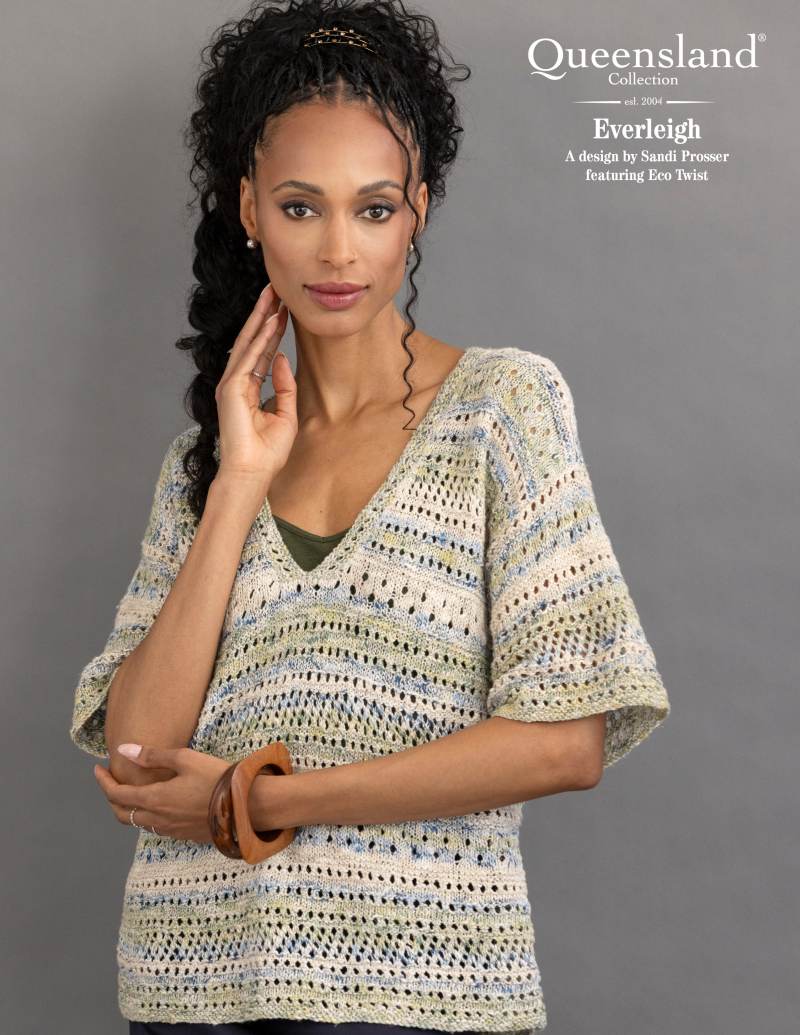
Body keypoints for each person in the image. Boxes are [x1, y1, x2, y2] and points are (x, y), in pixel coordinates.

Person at [69, 2, 671, 1033]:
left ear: (418, 210)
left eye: (374, 208)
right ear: (249, 207)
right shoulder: (204, 464)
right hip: (189, 988)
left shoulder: (501, 408)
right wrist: (236, 484)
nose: (338, 251)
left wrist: (258, 801)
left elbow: (565, 741)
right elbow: (136, 753)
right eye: (301, 207)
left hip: (415, 993)